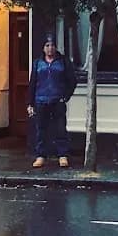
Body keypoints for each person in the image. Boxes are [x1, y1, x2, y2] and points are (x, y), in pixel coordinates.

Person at [27, 32, 77, 169]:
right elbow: (32, 83)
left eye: (52, 45)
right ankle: (40, 156)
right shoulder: (38, 63)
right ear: (43, 48)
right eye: (47, 45)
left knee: (60, 128)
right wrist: (30, 103)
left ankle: (62, 155)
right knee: (41, 129)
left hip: (57, 100)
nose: (50, 48)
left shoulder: (63, 62)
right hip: (40, 100)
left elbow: (72, 81)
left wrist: (65, 96)